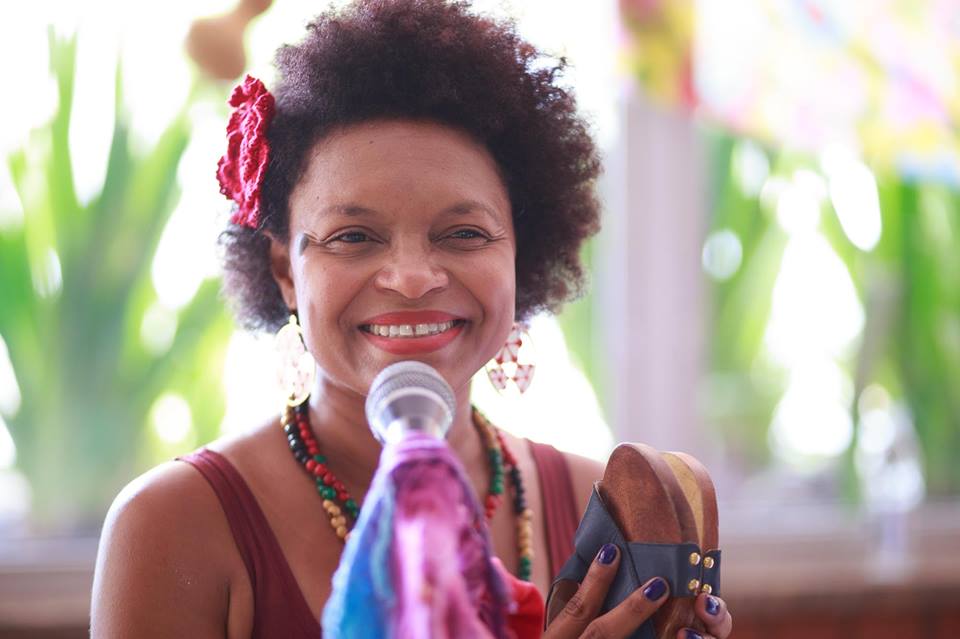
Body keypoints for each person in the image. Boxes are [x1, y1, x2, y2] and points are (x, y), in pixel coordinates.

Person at [90, 1, 734, 638]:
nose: (411, 276)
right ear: (285, 270)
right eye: (353, 236)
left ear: (521, 253)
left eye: (463, 233)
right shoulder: (173, 525)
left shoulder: (611, 512)